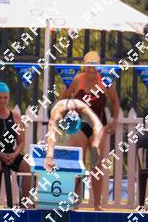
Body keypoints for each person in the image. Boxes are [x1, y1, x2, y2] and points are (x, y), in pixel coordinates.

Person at [58, 51, 120, 210]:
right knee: (77, 164)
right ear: (84, 64)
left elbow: (115, 102)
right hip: (79, 126)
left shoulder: (106, 81)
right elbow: (63, 98)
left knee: (97, 166)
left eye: (94, 63)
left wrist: (114, 122)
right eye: (89, 63)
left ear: (98, 65)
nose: (91, 67)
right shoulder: (77, 80)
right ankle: (75, 201)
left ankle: (97, 204)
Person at [44, 98, 103, 174]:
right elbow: (51, 135)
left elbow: (98, 125)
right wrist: (49, 156)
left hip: (76, 114)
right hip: (58, 111)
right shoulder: (56, 112)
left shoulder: (82, 107)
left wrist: (95, 144)